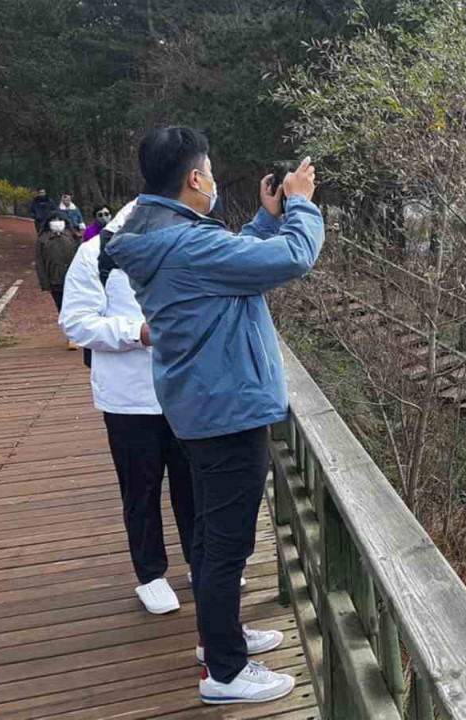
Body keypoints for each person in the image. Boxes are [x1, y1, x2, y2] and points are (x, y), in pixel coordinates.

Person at [107, 127, 324, 706]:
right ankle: (225, 673)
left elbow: (231, 263)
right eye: (209, 171)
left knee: (209, 538)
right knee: (226, 546)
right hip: (227, 408)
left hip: (200, 404)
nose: (212, 180)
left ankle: (217, 636)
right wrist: (301, 204)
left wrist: (265, 216)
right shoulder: (184, 243)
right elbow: (293, 258)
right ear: (195, 178)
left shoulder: (160, 234)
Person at [59, 200, 196, 615]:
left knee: (195, 484)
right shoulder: (96, 254)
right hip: (128, 399)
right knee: (141, 489)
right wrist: (138, 332)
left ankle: (200, 561)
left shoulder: (186, 241)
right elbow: (76, 321)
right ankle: (151, 575)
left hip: (187, 392)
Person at [35, 210, 82, 327]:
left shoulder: (73, 236)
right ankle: (69, 333)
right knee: (62, 308)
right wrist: (45, 283)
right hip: (55, 280)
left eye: (59, 220)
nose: (57, 223)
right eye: (54, 220)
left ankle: (78, 333)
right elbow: (40, 263)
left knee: (77, 307)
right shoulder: (43, 240)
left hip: (74, 279)